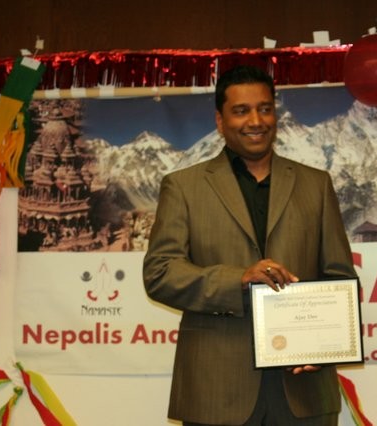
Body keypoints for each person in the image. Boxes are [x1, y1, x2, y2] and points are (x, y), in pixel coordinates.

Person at [143, 65, 356, 425]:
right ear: (220, 120)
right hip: (216, 390)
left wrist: (325, 344)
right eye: (241, 111)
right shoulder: (183, 187)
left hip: (303, 388)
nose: (256, 121)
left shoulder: (316, 184)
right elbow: (160, 274)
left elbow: (339, 276)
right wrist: (238, 279)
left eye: (265, 109)